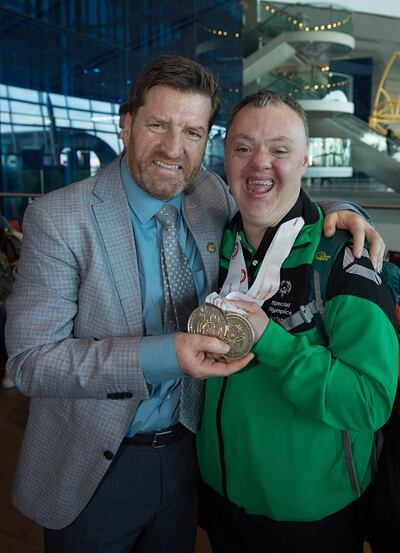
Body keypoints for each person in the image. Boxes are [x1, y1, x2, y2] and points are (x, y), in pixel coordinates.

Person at [4, 55, 385, 553]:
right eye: (158, 125)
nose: (172, 148)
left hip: (191, 461)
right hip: (98, 464)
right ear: (126, 124)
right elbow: (31, 363)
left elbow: (274, 194)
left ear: (207, 142)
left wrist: (345, 212)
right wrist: (166, 354)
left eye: (192, 132)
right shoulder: (60, 219)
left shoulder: (206, 195)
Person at [196, 90, 399, 553]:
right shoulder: (218, 242)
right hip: (221, 496)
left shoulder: (346, 261)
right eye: (243, 148)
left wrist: (271, 342)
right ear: (225, 157)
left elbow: (369, 403)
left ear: (305, 160)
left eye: (280, 150)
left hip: (310, 515)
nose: (259, 163)